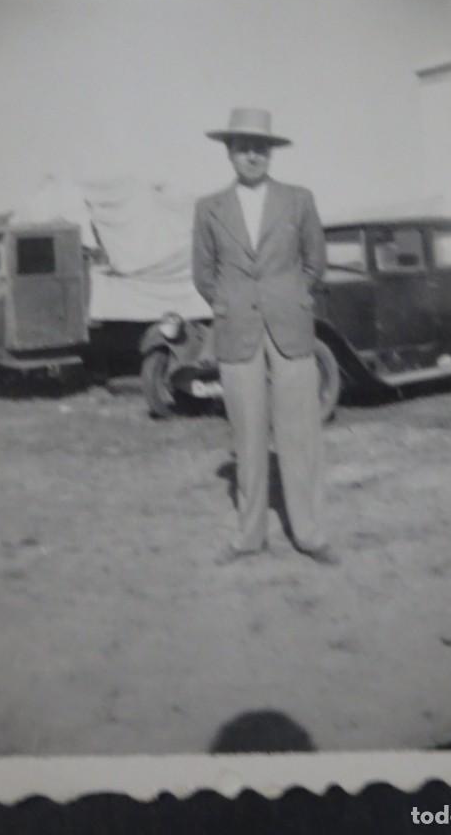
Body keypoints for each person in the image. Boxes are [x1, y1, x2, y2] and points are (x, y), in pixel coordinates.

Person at [192, 108, 339, 567]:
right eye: (242, 147)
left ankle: (311, 535)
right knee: (247, 435)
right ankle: (249, 536)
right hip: (237, 333)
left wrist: (290, 295)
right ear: (229, 153)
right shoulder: (208, 208)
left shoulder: (298, 200)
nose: (252, 155)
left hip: (291, 330)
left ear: (271, 153)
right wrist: (232, 303)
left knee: (300, 435)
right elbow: (203, 274)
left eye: (260, 147)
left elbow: (315, 263)